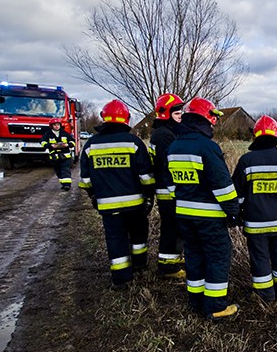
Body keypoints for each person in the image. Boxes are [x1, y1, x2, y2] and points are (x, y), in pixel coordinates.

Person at [167, 98, 240, 321]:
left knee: (194, 256)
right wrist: (233, 212)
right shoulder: (208, 148)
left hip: (184, 215)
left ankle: (196, 300)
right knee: (218, 257)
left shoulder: (174, 146)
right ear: (205, 119)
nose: (213, 124)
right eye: (212, 120)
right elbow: (223, 187)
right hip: (209, 217)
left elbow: (171, 186)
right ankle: (216, 307)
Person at [78, 100, 155, 289]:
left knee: (115, 239)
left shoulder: (91, 145)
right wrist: (148, 196)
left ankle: (121, 279)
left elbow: (85, 181)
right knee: (138, 235)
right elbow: (146, 177)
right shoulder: (134, 143)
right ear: (126, 119)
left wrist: (94, 197)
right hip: (135, 205)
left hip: (108, 207)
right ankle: (139, 265)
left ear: (104, 119)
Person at [232, 115, 277, 303]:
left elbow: (237, 194)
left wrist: (238, 214)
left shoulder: (246, 161)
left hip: (255, 225)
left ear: (255, 136)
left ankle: (266, 296)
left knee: (260, 259)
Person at [149, 93, 186, 280]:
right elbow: (169, 163)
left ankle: (171, 261)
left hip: (166, 188)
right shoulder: (164, 135)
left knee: (173, 226)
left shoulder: (163, 132)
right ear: (166, 113)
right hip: (167, 190)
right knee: (172, 226)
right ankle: (168, 267)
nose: (181, 115)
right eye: (177, 112)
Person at [40, 118, 75, 191]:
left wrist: (67, 145)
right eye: (55, 125)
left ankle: (67, 185)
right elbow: (42, 142)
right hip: (54, 156)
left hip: (65, 156)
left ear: (60, 125)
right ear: (51, 126)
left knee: (65, 170)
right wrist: (50, 145)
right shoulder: (47, 134)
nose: (56, 126)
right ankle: (63, 184)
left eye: (58, 125)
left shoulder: (65, 133)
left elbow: (73, 142)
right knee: (58, 171)